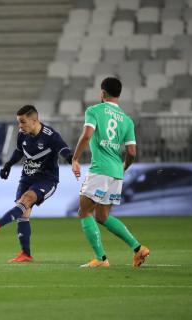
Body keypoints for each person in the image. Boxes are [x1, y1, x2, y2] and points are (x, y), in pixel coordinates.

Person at [71, 77, 150, 268]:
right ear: (119, 95)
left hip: (100, 170)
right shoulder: (127, 120)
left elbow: (87, 134)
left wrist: (75, 158)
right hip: (117, 172)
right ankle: (138, 248)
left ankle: (101, 259)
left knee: (84, 211)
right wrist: (124, 167)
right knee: (102, 216)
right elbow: (131, 152)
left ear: (103, 93)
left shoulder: (94, 111)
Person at [0, 105, 73, 263]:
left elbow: (65, 151)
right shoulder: (22, 134)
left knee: (25, 200)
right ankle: (26, 254)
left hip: (47, 179)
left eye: (23, 122)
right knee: (23, 214)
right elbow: (19, 151)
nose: (20, 126)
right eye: (18, 122)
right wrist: (8, 165)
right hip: (27, 178)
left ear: (34, 120)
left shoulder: (51, 136)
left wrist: (74, 162)